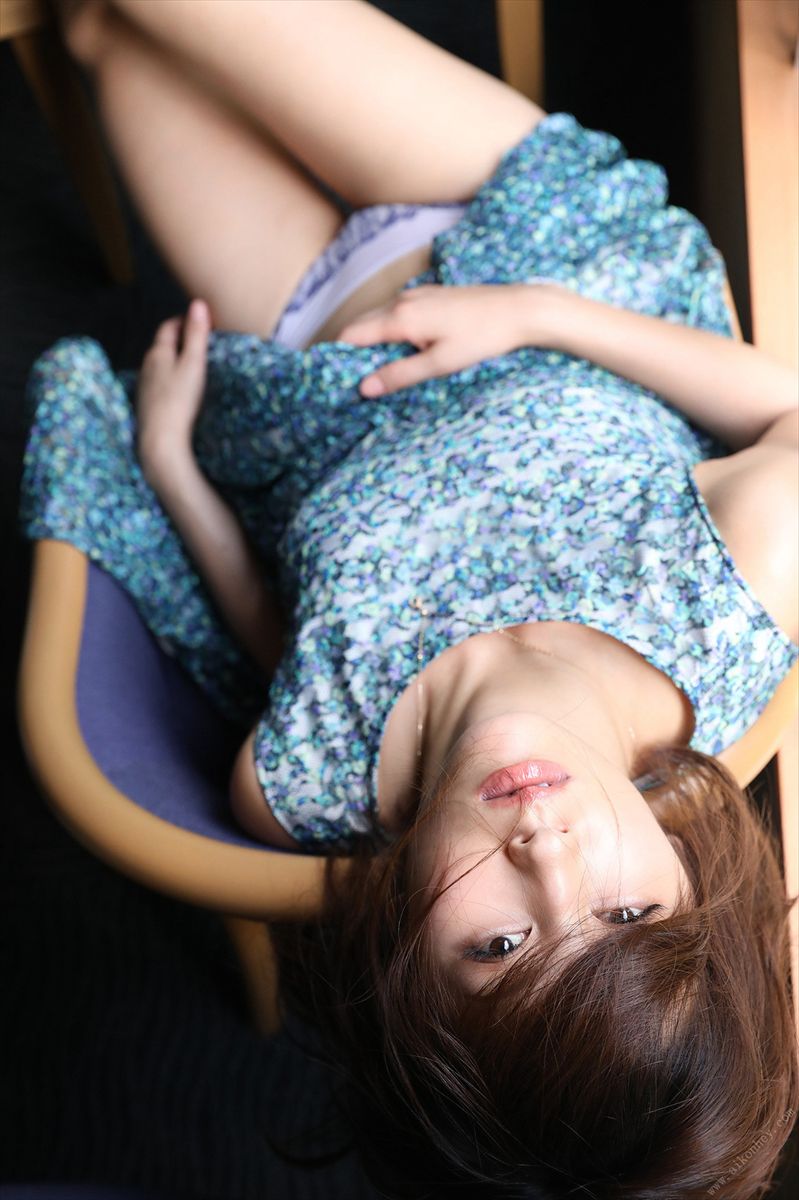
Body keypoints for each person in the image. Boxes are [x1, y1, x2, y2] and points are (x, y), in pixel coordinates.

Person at [22, 2, 799, 1196]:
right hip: (521, 242)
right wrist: (537, 315)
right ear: (690, 883)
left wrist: (175, 472)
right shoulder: (717, 613)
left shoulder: (306, 784)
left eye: (498, 945)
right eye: (626, 915)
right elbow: (790, 414)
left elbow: (295, 641)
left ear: (408, 974)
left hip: (314, 362)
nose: (548, 856)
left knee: (91, 29)